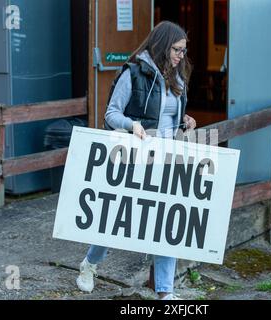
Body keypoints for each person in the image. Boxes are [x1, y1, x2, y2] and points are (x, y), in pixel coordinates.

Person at [76, 21, 196, 300]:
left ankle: (166, 292)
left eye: (184, 50)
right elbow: (110, 114)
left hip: (166, 158)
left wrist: (185, 120)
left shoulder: (177, 78)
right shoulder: (134, 73)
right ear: (164, 46)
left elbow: (171, 117)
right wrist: (132, 125)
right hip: (135, 157)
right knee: (117, 219)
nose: (181, 56)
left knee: (167, 224)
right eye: (177, 50)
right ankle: (89, 265)